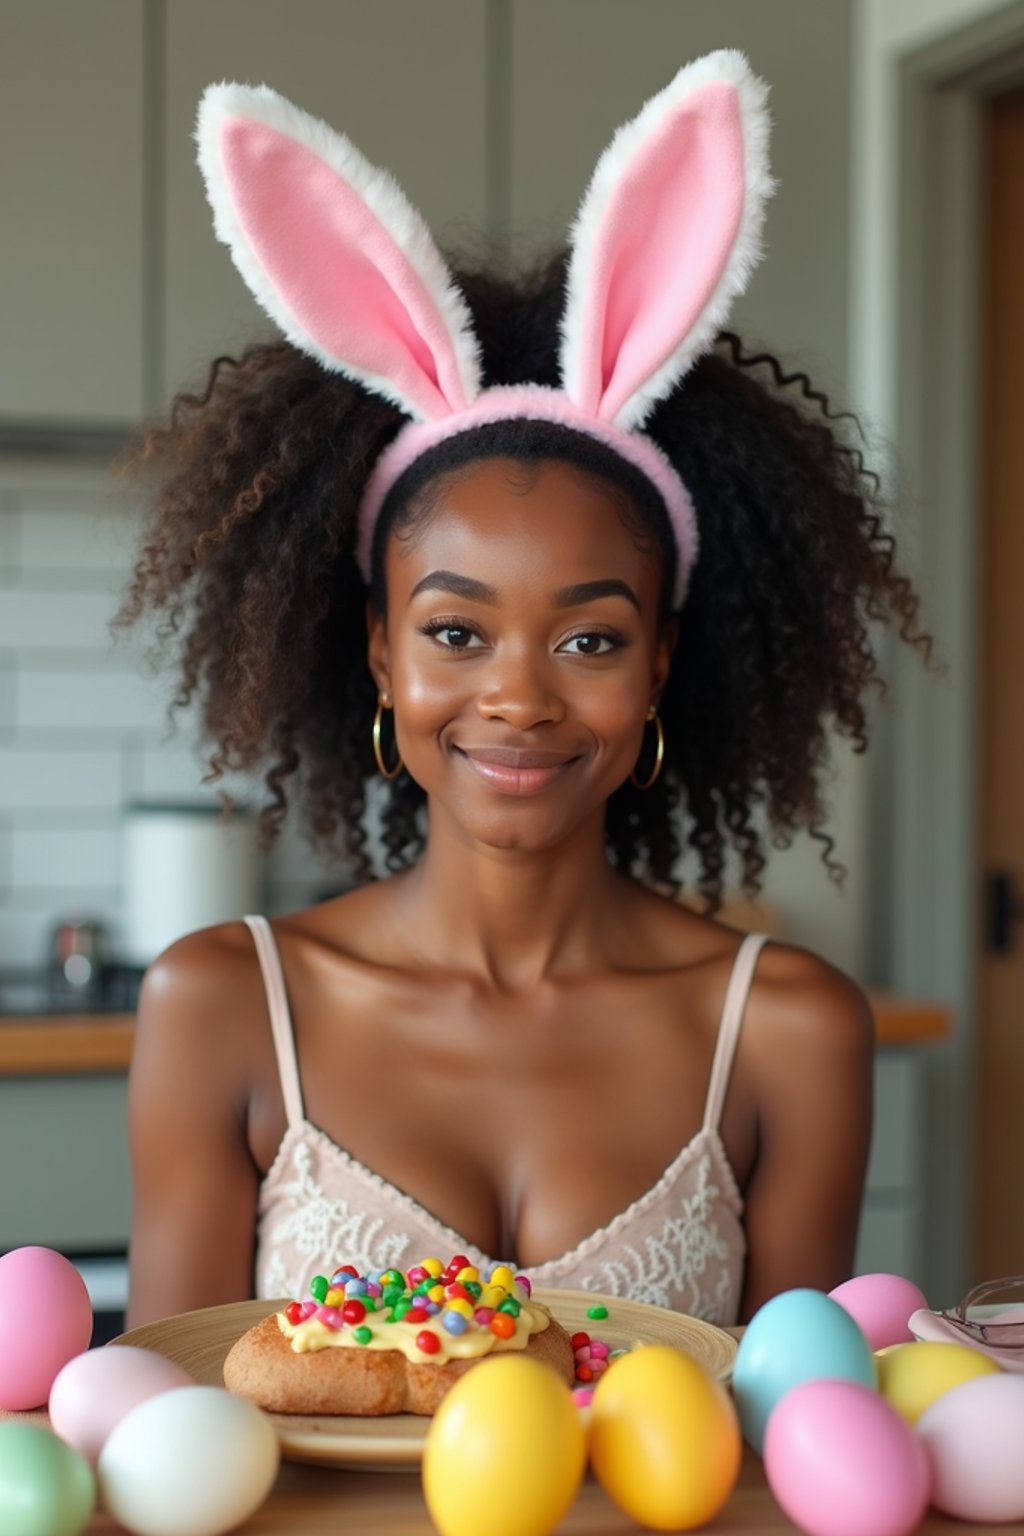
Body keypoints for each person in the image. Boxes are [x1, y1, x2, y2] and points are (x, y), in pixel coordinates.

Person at [120, 52, 927, 1331]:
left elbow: (799, 1471)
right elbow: (159, 1448)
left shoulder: (784, 1030)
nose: (518, 699)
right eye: (455, 630)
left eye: (589, 642)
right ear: (380, 651)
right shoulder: (221, 1006)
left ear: (661, 661)